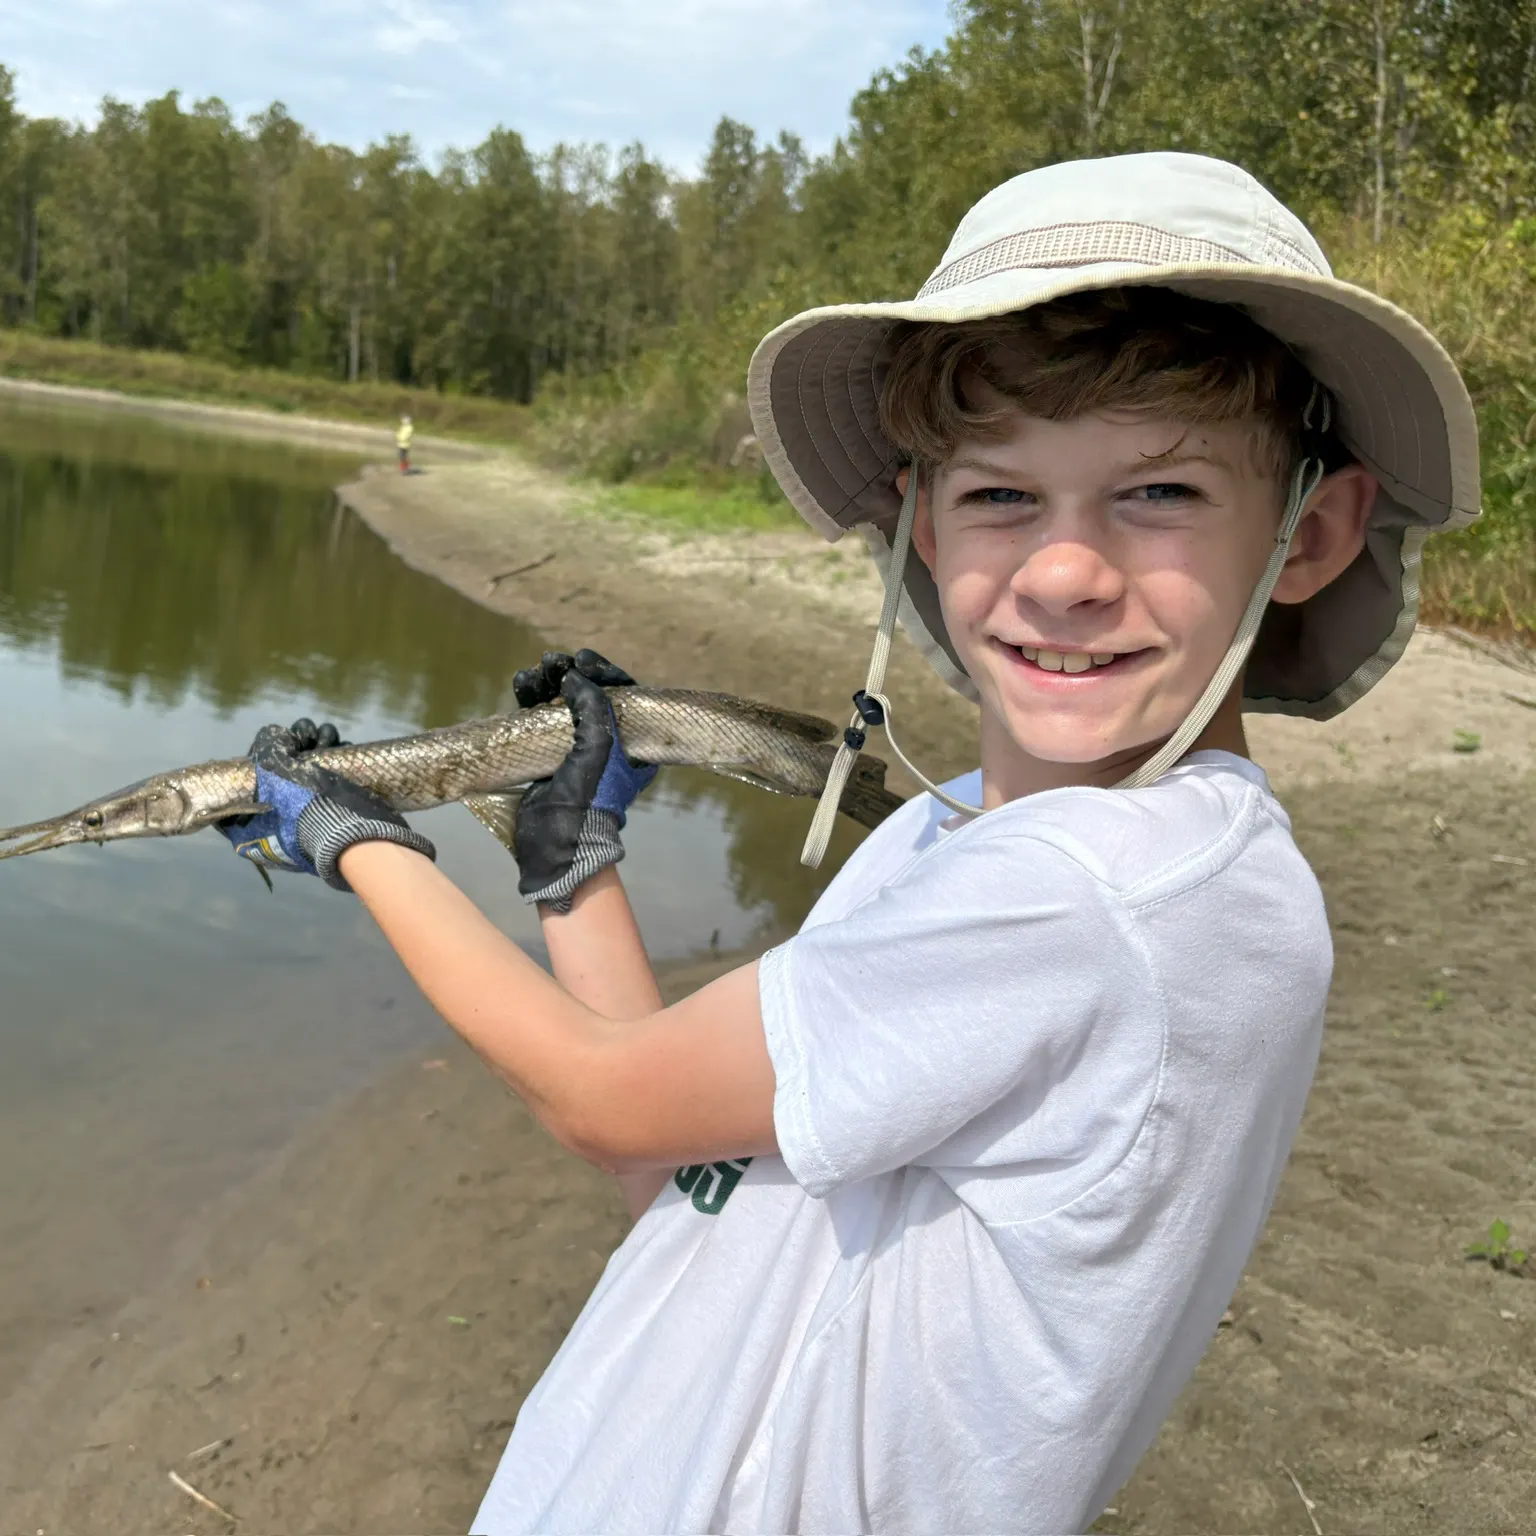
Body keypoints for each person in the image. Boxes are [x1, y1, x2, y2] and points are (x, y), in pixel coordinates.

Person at [221, 152, 1479, 1533]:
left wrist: (356, 840)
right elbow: (683, 1166)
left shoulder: (1096, 895)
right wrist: (572, 871)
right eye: (1002, 494)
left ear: (1313, 530)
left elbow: (595, 1096)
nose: (1065, 572)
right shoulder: (980, 845)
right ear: (921, 522)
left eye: (1160, 494)